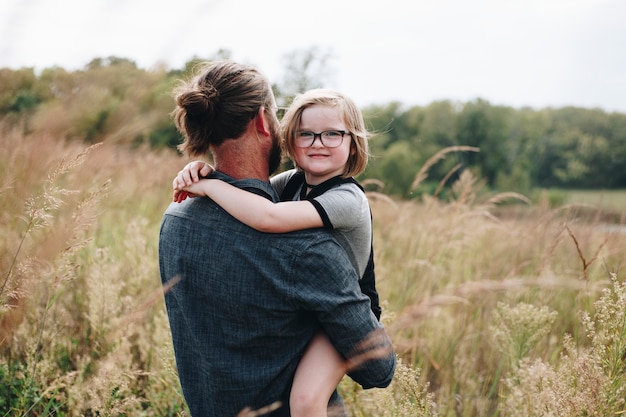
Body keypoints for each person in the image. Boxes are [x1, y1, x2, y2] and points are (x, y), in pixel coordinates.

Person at [158, 60, 396, 417]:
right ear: (261, 122)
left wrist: (207, 182)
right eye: (304, 133)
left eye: (333, 134)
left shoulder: (174, 221)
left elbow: (261, 209)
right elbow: (378, 368)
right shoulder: (308, 251)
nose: (318, 143)